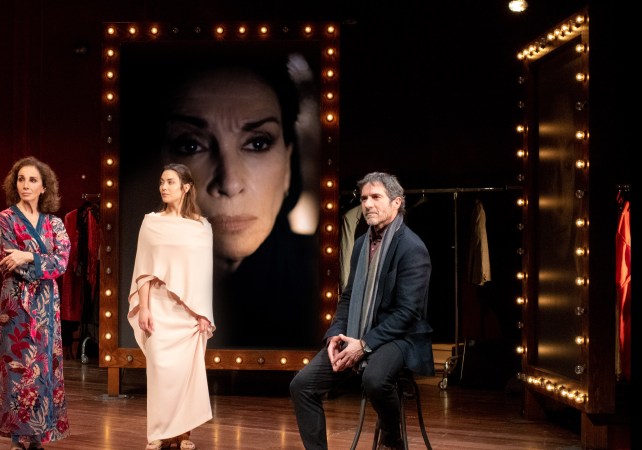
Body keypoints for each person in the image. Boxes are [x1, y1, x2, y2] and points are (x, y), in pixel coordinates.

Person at [151, 50, 321, 348]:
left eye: (258, 143)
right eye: (191, 145)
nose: (229, 183)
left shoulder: (322, 280)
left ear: (287, 165)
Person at [289, 172, 435, 450]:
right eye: (364, 198)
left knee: (375, 380)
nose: (367, 204)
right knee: (301, 385)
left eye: (376, 197)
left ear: (396, 203)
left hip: (399, 336)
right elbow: (348, 297)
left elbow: (407, 313)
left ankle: (392, 438)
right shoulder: (360, 244)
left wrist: (364, 344)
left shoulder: (412, 248)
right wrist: (335, 334)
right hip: (357, 330)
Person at [127, 163, 214, 450]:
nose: (163, 187)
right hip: (159, 307)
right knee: (160, 373)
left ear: (186, 187)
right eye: (162, 182)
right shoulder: (151, 222)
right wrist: (145, 308)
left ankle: (183, 434)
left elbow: (203, 276)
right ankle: (158, 433)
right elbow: (143, 270)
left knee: (187, 375)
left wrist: (203, 314)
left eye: (170, 182)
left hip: (188, 313)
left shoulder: (201, 227)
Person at [0, 156, 71, 450]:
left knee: (43, 368)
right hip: (17, 303)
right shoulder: (5, 219)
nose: (26, 185)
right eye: (21, 179)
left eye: (32, 180)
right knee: (17, 368)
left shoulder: (54, 223)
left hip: (46, 304)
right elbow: (10, 262)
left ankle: (37, 435)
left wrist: (28, 256)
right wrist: (35, 261)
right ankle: (17, 437)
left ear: (44, 187)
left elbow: (61, 263)